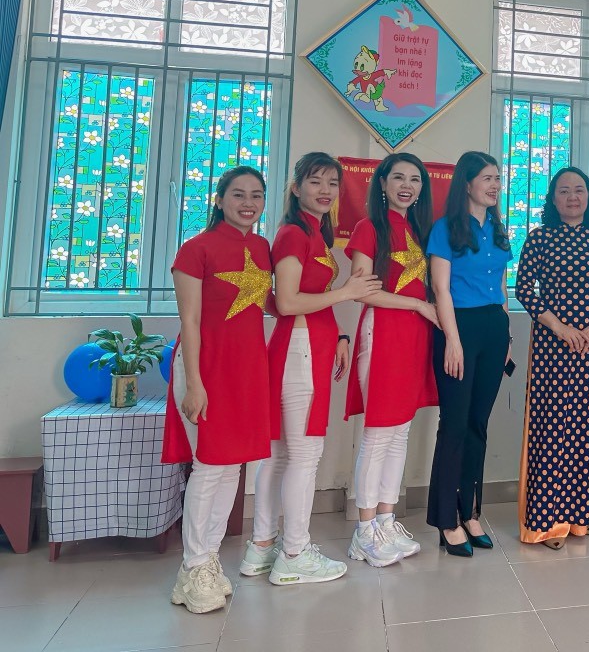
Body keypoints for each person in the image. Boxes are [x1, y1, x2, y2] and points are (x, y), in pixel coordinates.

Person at [240, 153, 381, 585]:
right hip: (298, 350)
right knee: (302, 456)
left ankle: (261, 548)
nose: (325, 190)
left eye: (333, 183)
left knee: (283, 455)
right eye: (315, 181)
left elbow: (307, 297)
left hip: (307, 346)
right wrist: (347, 292)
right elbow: (286, 303)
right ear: (296, 187)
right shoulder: (292, 234)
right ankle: (295, 553)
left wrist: (339, 334)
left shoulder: (313, 232)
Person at [163, 166, 273, 614]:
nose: (248, 203)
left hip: (247, 370)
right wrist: (194, 384)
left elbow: (271, 304)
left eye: (256, 195)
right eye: (238, 194)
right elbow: (189, 321)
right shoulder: (196, 249)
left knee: (232, 468)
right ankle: (193, 567)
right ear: (220, 199)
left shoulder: (262, 249)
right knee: (209, 467)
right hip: (205, 369)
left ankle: (207, 561)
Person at [514, 166, 589, 549]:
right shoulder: (539, 238)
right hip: (552, 344)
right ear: (552, 198)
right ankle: (546, 522)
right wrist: (559, 328)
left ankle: (578, 517)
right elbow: (525, 289)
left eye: (579, 190)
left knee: (584, 427)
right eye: (563, 191)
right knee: (550, 428)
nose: (572, 197)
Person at [344, 152, 438, 567]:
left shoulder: (420, 230)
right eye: (398, 177)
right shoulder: (369, 227)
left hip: (415, 337)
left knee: (400, 432)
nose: (406, 186)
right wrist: (417, 305)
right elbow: (361, 290)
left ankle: (385, 519)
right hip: (383, 331)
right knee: (379, 433)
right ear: (382, 183)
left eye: (414, 179)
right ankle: (364, 530)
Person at [426, 151, 513, 558]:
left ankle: (471, 513)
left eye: (497, 178)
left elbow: (501, 287)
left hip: (493, 327)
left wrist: (506, 333)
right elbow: (440, 290)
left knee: (478, 424)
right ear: (467, 184)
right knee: (455, 425)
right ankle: (447, 520)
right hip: (458, 327)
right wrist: (453, 339)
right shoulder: (446, 229)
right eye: (487, 178)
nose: (495, 185)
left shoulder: (497, 228)